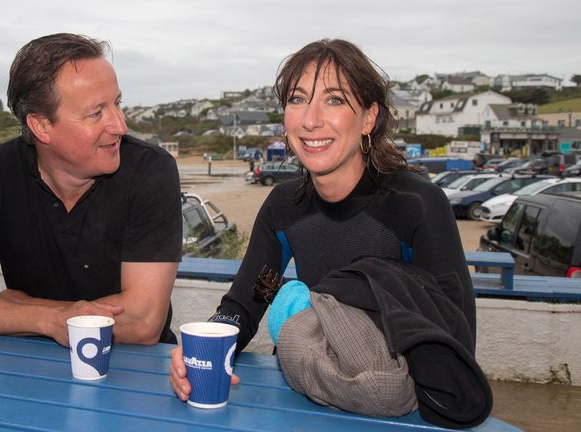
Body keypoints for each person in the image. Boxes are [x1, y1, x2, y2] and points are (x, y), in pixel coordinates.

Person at [169, 39, 475, 403]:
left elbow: (457, 338)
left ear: (369, 117)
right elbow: (251, 298)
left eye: (334, 99)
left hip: (397, 398)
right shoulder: (285, 206)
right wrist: (206, 346)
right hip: (312, 385)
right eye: (297, 99)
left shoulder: (415, 204)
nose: (311, 120)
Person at [0, 33, 183, 347]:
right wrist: (49, 320)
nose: (120, 126)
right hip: (27, 361)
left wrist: (19, 305)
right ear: (41, 126)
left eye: (117, 103)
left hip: (133, 366)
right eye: (97, 113)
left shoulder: (150, 170)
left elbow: (143, 322)